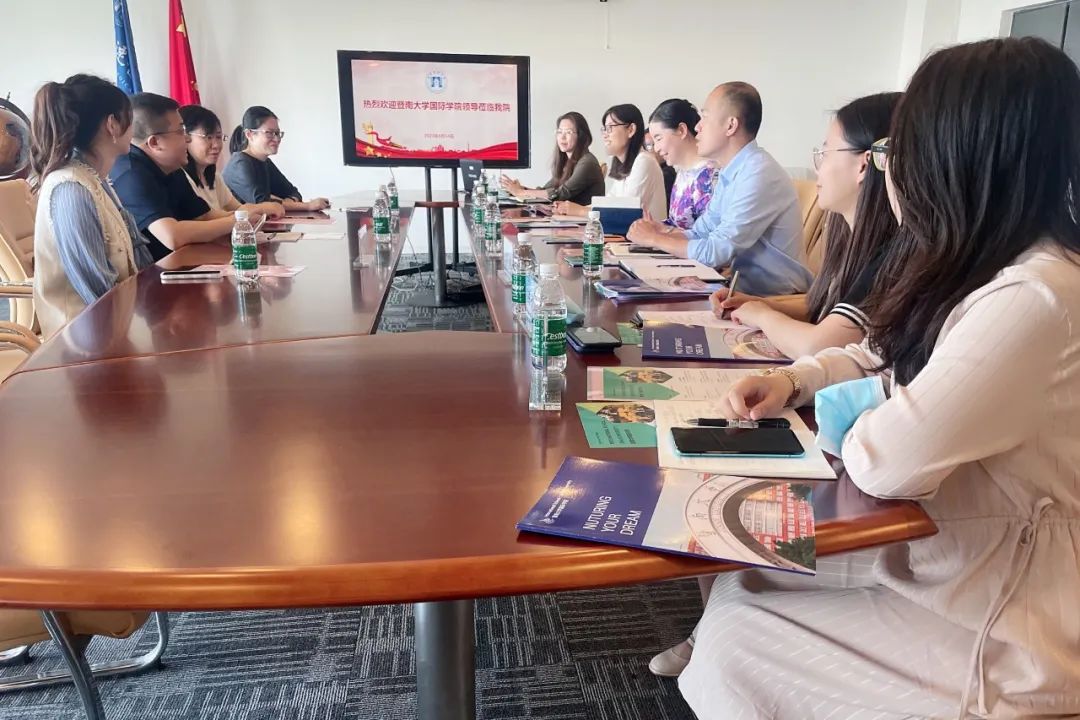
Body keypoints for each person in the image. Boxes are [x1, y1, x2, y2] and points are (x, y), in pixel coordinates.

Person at [680, 38, 1080, 719]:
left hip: (1016, 621)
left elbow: (886, 461)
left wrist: (868, 405)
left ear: (957, 155)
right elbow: (880, 354)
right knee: (746, 576)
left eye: (899, 150)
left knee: (735, 633)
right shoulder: (987, 264)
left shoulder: (1034, 297)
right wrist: (797, 383)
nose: (891, 168)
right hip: (966, 548)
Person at [702, 92, 902, 359]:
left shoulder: (888, 256)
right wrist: (758, 304)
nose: (817, 167)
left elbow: (818, 345)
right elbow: (825, 309)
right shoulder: (851, 238)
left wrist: (762, 315)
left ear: (864, 166)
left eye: (825, 153)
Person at [626, 83, 812, 297]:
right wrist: (662, 231)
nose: (698, 127)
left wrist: (654, 239)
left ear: (730, 125)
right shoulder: (731, 171)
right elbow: (702, 231)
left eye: (705, 117)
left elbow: (717, 251)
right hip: (740, 292)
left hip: (775, 300)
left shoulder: (758, 172)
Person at [29, 74, 153, 338]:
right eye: (130, 118)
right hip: (85, 345)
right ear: (112, 124)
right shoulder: (71, 190)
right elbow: (100, 298)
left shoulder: (95, 178)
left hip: (117, 328)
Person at [110, 93, 270, 261]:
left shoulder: (171, 166)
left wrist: (247, 217)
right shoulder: (131, 175)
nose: (187, 139)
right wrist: (237, 222)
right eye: (181, 131)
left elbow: (204, 216)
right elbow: (172, 236)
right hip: (152, 272)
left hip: (183, 262)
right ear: (154, 143)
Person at [554, 104, 667, 221]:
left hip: (643, 233)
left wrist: (579, 211)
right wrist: (568, 209)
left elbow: (625, 213)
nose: (605, 135)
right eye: (604, 129)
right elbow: (608, 203)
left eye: (610, 128)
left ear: (631, 130)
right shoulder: (624, 165)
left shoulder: (644, 161)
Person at [179, 104, 284, 217]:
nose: (216, 145)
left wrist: (260, 209)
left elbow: (238, 208)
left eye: (218, 137)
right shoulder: (181, 178)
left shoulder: (213, 175)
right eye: (208, 137)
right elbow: (206, 218)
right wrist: (262, 208)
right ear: (185, 137)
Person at [222, 106, 330, 212]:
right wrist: (308, 206)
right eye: (269, 133)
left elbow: (293, 192)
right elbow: (262, 203)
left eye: (277, 133)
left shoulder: (265, 161)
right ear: (249, 134)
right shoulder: (239, 163)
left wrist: (288, 202)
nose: (277, 139)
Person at [500, 111, 605, 205]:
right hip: (567, 218)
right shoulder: (567, 162)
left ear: (581, 136)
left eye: (568, 132)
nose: (562, 137)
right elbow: (547, 190)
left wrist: (520, 192)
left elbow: (560, 194)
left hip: (586, 220)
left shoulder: (587, 162)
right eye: (559, 132)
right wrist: (520, 189)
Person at [647, 98, 714, 230]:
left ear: (681, 130)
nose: (656, 148)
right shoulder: (684, 173)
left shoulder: (708, 176)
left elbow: (707, 234)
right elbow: (677, 224)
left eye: (658, 138)